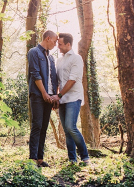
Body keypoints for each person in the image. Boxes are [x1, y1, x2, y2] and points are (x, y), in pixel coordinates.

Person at [56, 33, 90, 165]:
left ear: (68, 44)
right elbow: (58, 81)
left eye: (60, 44)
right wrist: (57, 98)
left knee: (71, 126)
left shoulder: (76, 58)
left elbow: (73, 80)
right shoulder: (59, 60)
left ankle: (85, 157)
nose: (57, 46)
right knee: (67, 130)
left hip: (74, 97)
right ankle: (72, 159)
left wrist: (59, 95)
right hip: (62, 99)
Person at [27, 30, 59, 167]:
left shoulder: (51, 58)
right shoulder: (34, 52)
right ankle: (32, 158)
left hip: (49, 97)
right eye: (55, 41)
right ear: (48, 38)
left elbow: (53, 78)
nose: (56, 44)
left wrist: (53, 96)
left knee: (44, 127)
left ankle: (40, 158)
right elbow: (35, 74)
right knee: (37, 125)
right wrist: (44, 93)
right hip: (38, 96)